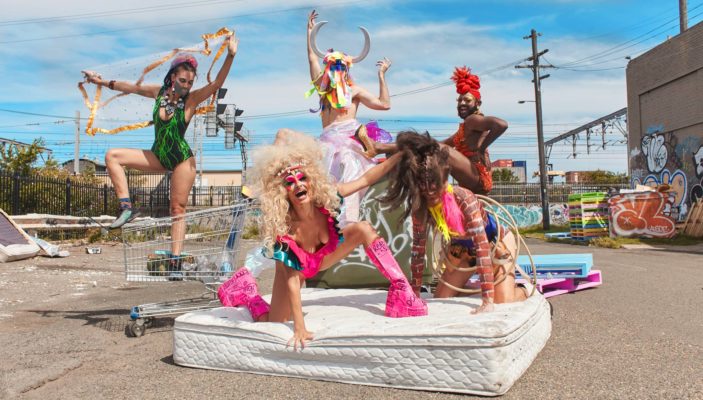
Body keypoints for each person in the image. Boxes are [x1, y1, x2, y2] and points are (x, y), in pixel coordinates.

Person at [218, 133, 427, 350]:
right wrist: (300, 327)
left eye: (302, 178)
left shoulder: (326, 199)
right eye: (290, 182)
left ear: (311, 180)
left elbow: (366, 180)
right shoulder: (286, 228)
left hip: (323, 258)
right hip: (295, 271)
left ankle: (402, 291)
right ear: (284, 192)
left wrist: (401, 154)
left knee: (363, 229)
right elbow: (292, 281)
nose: (298, 184)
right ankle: (245, 293)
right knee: (274, 321)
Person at [81, 31, 239, 275]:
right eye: (182, 80)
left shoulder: (191, 100)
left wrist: (230, 56)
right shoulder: (158, 93)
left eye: (190, 82)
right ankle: (126, 208)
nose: (186, 85)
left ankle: (175, 261)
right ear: (173, 77)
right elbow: (130, 87)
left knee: (177, 209)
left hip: (181, 159)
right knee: (112, 156)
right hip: (158, 155)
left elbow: (216, 84)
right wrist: (99, 82)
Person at [379, 131, 527, 315]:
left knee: (502, 300)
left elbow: (482, 247)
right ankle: (481, 287)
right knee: (442, 298)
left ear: (444, 180)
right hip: (463, 252)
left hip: (496, 245)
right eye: (424, 189)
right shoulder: (421, 207)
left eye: (435, 187)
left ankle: (523, 290)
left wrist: (487, 301)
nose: (430, 194)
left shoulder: (464, 198)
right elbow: (418, 252)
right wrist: (414, 295)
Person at [271, 10, 393, 226]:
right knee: (282, 134)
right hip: (324, 141)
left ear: (347, 70)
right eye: (334, 67)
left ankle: (348, 222)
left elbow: (384, 104)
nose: (338, 71)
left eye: (342, 67)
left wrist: (381, 76)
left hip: (348, 143)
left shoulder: (354, 91)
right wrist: (310, 33)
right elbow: (311, 59)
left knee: (346, 159)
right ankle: (270, 188)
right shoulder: (322, 89)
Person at [373, 66, 508, 195]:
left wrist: (481, 149)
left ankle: (381, 148)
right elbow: (434, 144)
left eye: (467, 100)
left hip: (477, 178)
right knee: (430, 145)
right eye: (459, 100)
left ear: (478, 104)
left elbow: (501, 125)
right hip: (473, 182)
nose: (462, 103)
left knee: (441, 150)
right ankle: (382, 148)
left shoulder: (472, 120)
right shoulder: (465, 128)